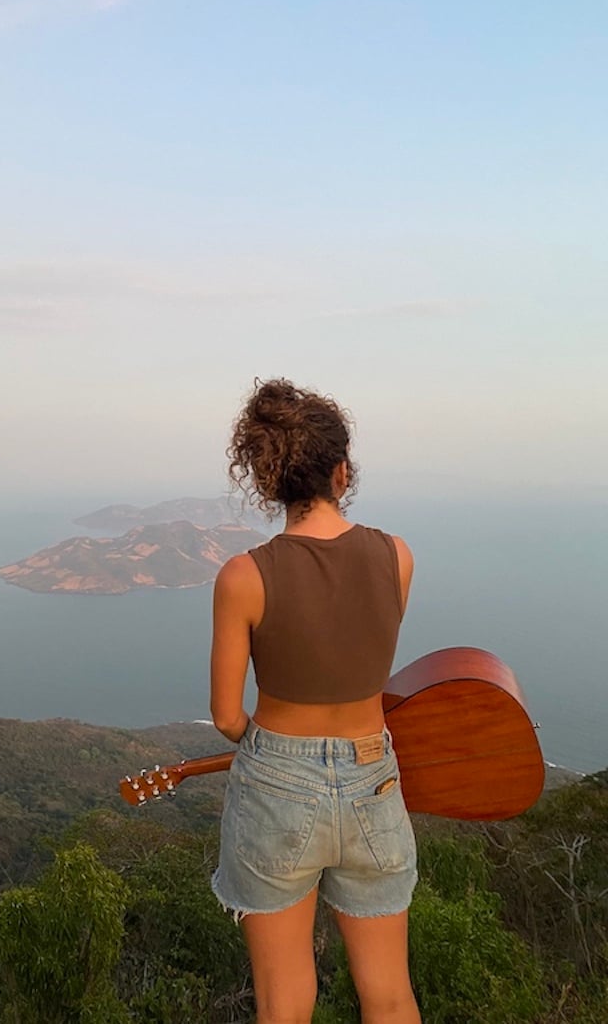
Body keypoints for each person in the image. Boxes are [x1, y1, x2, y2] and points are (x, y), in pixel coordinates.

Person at [210, 378, 421, 1024]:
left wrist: (271, 747)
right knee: (388, 992)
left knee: (284, 1000)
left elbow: (225, 717)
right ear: (341, 469)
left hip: (277, 780)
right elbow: (361, 663)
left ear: (271, 481)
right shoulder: (397, 556)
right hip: (372, 779)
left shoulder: (244, 576)